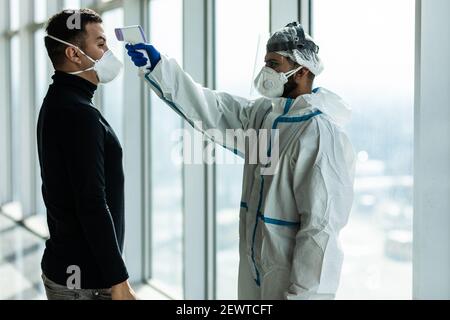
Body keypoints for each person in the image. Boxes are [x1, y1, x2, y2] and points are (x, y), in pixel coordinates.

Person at [126, 22, 356, 300]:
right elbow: (213, 108)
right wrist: (160, 68)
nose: (266, 72)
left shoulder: (319, 133)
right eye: (265, 63)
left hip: (291, 280)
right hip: (255, 267)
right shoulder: (265, 115)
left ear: (304, 70)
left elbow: (321, 231)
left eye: (274, 64)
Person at [37, 9, 136, 300]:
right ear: (74, 54)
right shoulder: (79, 114)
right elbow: (91, 201)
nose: (108, 52)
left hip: (71, 269)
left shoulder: (59, 101)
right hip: (86, 283)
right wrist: (119, 282)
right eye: (101, 44)